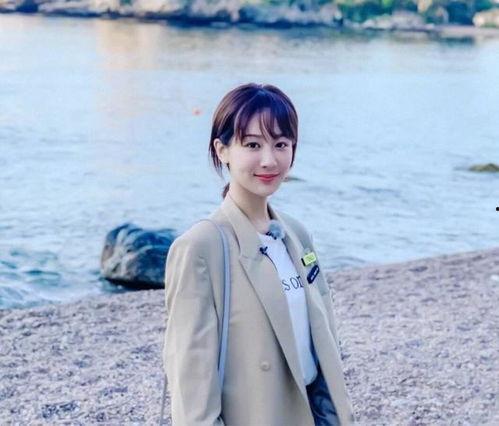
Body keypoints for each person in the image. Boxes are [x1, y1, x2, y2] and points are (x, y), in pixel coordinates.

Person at [162, 83, 356, 425]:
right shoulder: (202, 247)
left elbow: (322, 348)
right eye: (252, 144)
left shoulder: (297, 235)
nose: (269, 160)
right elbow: (191, 384)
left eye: (281, 144)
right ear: (222, 150)